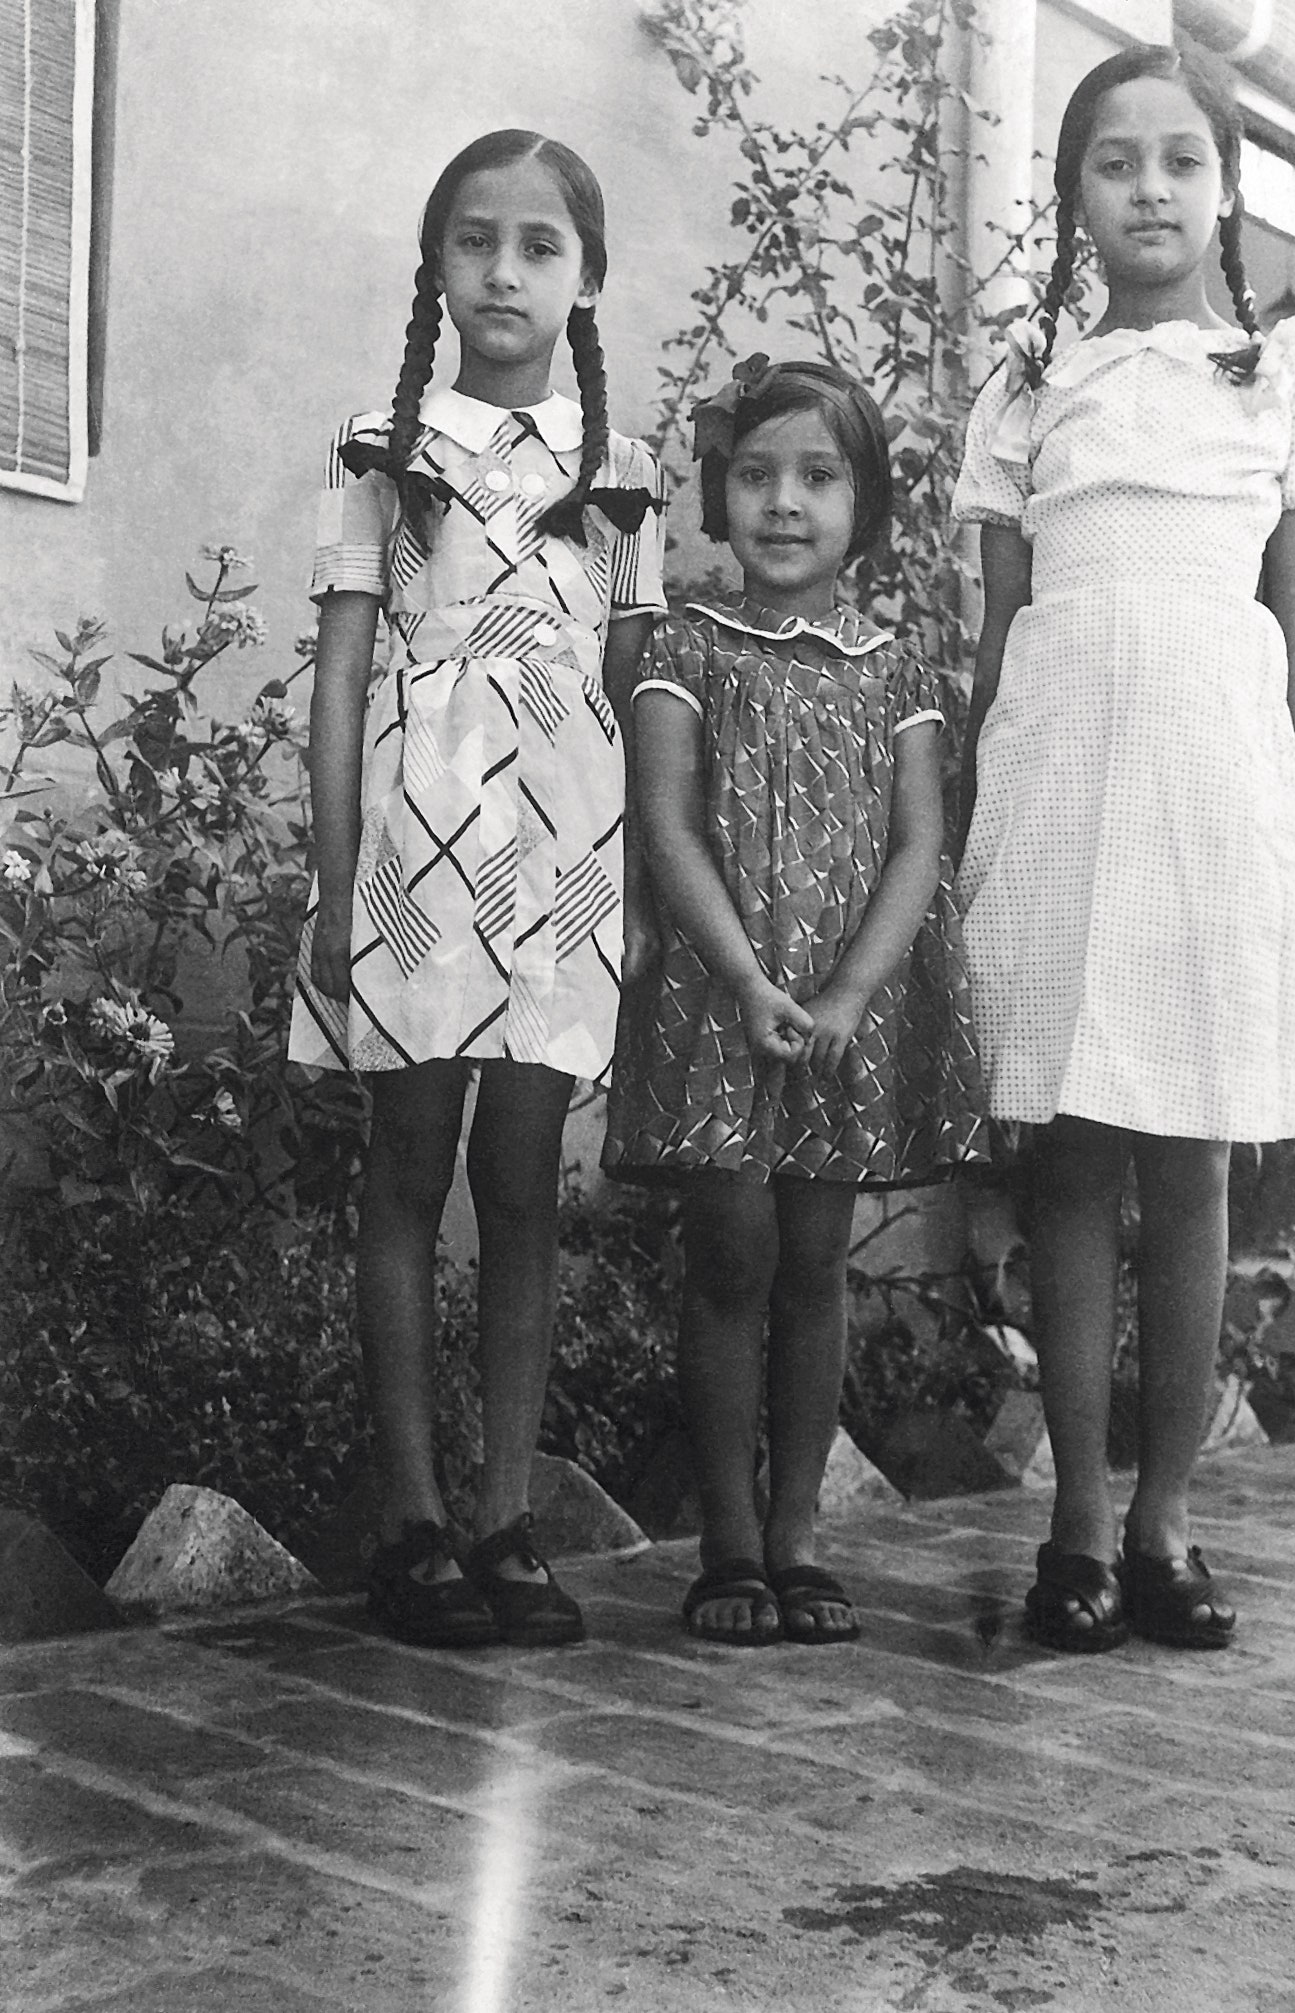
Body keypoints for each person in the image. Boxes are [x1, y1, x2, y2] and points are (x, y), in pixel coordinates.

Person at [953, 44, 1295, 1652]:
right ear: (1070, 196)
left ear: (1223, 188)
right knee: (1072, 1150)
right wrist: (986, 817)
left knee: (1190, 1159)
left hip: (1214, 792)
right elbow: (995, 645)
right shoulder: (1030, 383)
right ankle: (1069, 1524)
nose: (1148, 189)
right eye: (1114, 161)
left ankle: (1167, 1523)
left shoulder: (1281, 386)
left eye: (1180, 161)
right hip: (1063, 781)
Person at [289, 131, 667, 1647]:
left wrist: (632, 889)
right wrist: (331, 882)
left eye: (537, 247)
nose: (502, 272)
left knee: (522, 1187)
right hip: (412, 844)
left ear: (584, 276)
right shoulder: (380, 446)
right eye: (472, 242)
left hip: (563, 849)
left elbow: (638, 690)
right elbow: (336, 676)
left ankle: (508, 1518)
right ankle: (414, 1521)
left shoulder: (618, 471)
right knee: (405, 1169)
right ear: (434, 264)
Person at [603, 357, 984, 1646]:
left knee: (816, 1263)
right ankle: (725, 1542)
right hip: (723, 1003)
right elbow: (663, 822)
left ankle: (803, 1537)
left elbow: (918, 846)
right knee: (729, 1258)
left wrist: (848, 993)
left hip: (842, 1012)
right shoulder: (680, 650)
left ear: (864, 509)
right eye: (756, 475)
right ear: (717, 498)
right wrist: (755, 982)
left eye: (818, 477)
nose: (783, 502)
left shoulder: (899, 671)